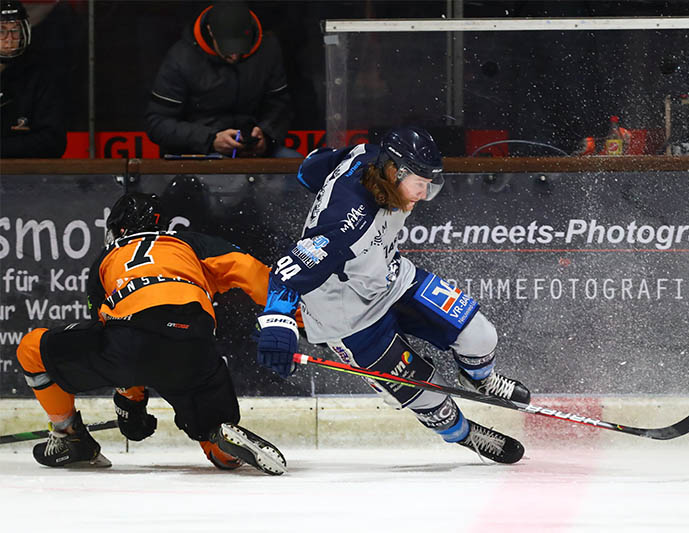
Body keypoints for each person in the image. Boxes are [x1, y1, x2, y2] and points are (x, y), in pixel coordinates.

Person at [255, 126, 530, 464]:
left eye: (430, 185)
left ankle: (483, 380)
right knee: (428, 398)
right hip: (347, 318)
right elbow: (287, 270)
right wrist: (277, 324)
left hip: (391, 277)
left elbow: (308, 169)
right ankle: (465, 434)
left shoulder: (367, 154)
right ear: (394, 171)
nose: (423, 194)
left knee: (481, 335)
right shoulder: (346, 226)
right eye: (419, 184)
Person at [15, 192, 286, 475]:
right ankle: (220, 444)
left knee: (33, 350)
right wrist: (294, 321)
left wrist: (131, 404)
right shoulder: (189, 242)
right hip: (195, 344)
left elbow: (106, 332)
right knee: (213, 432)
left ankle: (69, 438)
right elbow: (256, 275)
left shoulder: (106, 259)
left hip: (132, 340)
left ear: (119, 229)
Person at [145, 1, 298, 158]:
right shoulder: (181, 58)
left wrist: (266, 135)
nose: (234, 56)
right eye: (227, 48)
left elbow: (280, 105)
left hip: (252, 149)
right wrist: (210, 139)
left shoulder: (267, 49)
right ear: (210, 31)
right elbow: (157, 123)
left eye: (240, 48)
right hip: (198, 152)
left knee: (295, 164)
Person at [0, 0, 65, 158]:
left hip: (26, 178)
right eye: (1, 31)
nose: (10, 39)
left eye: (15, 30)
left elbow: (53, 141)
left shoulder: (40, 76)